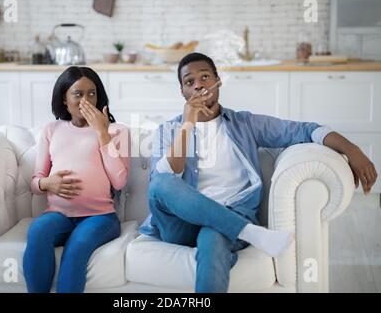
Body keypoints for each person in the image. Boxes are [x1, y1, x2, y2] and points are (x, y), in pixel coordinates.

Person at [140, 52, 378, 293]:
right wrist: (187, 125)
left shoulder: (245, 124)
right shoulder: (168, 130)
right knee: (161, 184)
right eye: (189, 82)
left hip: (228, 215)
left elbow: (305, 130)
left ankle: (235, 227)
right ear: (182, 92)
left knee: (213, 240)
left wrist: (352, 149)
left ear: (217, 81)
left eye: (205, 77)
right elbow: (166, 178)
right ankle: (250, 232)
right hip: (181, 223)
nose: (199, 85)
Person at [23, 66, 130, 293]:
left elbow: (120, 182)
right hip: (58, 215)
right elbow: (36, 181)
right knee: (37, 232)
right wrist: (47, 183)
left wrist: (102, 134)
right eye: (78, 94)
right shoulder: (51, 130)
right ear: (64, 98)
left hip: (100, 217)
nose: (86, 100)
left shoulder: (117, 131)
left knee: (77, 246)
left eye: (92, 93)